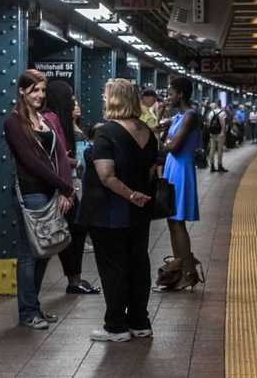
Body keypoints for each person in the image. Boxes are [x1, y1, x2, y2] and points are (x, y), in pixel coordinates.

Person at [79, 79, 158, 342]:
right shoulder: (147, 131)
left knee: (113, 268)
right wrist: (139, 196)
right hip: (140, 214)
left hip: (110, 213)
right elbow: (150, 171)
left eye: (105, 95)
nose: (103, 99)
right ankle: (139, 321)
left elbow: (106, 175)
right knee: (138, 264)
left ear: (114, 99)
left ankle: (115, 326)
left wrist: (130, 196)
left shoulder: (107, 132)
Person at [3, 70, 75, 329]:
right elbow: (31, 163)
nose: (40, 95)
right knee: (29, 254)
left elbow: (62, 155)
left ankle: (34, 307)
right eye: (34, 90)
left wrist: (63, 189)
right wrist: (65, 187)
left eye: (43, 91)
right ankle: (27, 312)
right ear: (22, 91)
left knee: (45, 251)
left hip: (51, 191)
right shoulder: (13, 123)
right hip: (31, 192)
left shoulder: (46, 119)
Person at [46, 80, 100, 296]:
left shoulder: (67, 125)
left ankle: (75, 279)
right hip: (66, 188)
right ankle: (73, 280)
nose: (75, 103)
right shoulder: (53, 124)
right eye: (71, 99)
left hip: (74, 186)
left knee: (76, 232)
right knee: (73, 233)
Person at [156, 76, 204, 291]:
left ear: (181, 94)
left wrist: (166, 140)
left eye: (171, 92)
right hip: (172, 168)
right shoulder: (177, 117)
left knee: (179, 221)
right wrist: (161, 123)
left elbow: (173, 147)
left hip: (181, 169)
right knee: (171, 221)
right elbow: (162, 142)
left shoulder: (190, 116)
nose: (169, 96)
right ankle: (179, 269)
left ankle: (189, 272)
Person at [208, 103, 229, 173]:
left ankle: (212, 166)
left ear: (216, 105)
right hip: (220, 134)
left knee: (212, 149)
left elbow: (209, 123)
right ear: (221, 106)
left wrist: (210, 132)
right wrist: (223, 132)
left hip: (212, 134)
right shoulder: (223, 113)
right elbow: (223, 123)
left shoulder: (211, 112)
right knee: (220, 150)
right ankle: (219, 166)